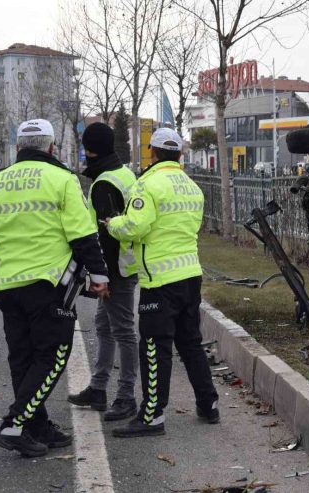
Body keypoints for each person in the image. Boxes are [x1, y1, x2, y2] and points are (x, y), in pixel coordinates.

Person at [0, 119, 109, 457]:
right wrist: (99, 275)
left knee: (23, 359)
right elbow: (82, 234)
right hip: (48, 282)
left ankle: (37, 426)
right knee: (54, 356)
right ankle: (14, 425)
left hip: (9, 284)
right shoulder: (62, 179)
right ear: (52, 147)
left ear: (18, 148)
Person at [107, 128, 219, 438]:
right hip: (189, 274)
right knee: (190, 342)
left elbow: (134, 227)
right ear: (180, 155)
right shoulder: (192, 186)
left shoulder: (148, 184)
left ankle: (153, 415)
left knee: (155, 347)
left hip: (159, 280)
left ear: (152, 152)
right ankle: (208, 404)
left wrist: (112, 223)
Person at [67, 123, 139, 421]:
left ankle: (126, 397)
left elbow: (106, 234)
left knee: (123, 332)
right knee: (104, 327)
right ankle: (98, 388)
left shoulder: (104, 183)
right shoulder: (124, 173)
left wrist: (102, 277)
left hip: (117, 268)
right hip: (127, 262)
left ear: (89, 148)